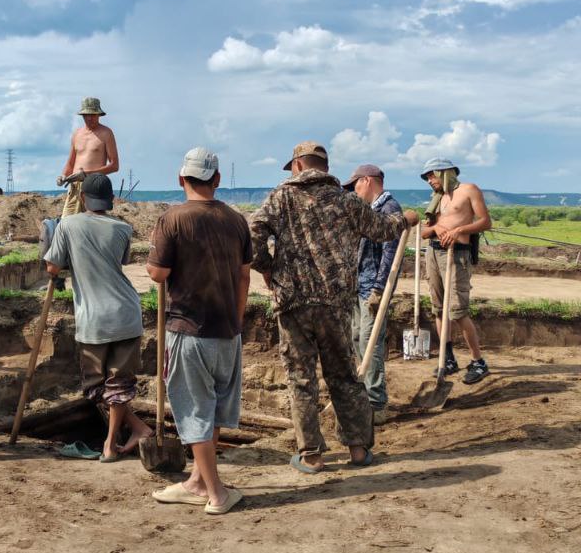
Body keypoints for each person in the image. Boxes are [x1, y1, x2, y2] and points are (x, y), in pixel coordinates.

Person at [251, 142, 418, 475]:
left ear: (298, 165)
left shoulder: (281, 198)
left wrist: (267, 268)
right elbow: (381, 229)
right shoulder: (346, 201)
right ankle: (358, 449)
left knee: (301, 378)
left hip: (294, 302)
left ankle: (311, 455)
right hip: (335, 303)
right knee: (344, 374)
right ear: (325, 168)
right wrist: (406, 219)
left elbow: (253, 231)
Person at [146, 148, 251, 515]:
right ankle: (198, 480)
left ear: (181, 179)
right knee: (215, 410)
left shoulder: (172, 219)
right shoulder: (237, 220)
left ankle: (217, 493)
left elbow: (158, 274)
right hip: (228, 331)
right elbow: (243, 275)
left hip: (189, 331)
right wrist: (236, 321)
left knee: (194, 412)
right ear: (217, 180)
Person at [43, 172, 151, 461]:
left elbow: (52, 268)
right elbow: (118, 261)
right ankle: (138, 429)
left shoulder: (67, 225)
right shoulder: (122, 229)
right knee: (118, 386)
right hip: (126, 313)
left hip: (94, 319)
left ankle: (109, 444)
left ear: (81, 198)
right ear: (111, 200)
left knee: (96, 386)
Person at [420, 156, 492, 384]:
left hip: (457, 254)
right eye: (427, 177)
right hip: (433, 253)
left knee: (458, 311)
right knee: (439, 309)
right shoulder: (437, 199)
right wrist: (439, 227)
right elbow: (424, 232)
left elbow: (485, 222)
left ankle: (478, 362)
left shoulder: (469, 190)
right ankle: (447, 358)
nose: (429, 180)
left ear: (445, 172)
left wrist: (458, 228)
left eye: (432, 175)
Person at [342, 163, 403, 424]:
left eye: (355, 185)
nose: (354, 191)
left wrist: (379, 289)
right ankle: (365, 393)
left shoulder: (389, 209)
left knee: (371, 343)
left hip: (372, 289)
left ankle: (377, 403)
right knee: (357, 338)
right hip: (359, 287)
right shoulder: (369, 209)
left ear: (367, 181)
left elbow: (390, 255)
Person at [57, 98, 119, 218]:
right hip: (74, 187)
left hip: (94, 187)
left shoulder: (106, 133)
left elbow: (114, 165)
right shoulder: (77, 134)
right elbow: (70, 163)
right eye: (86, 115)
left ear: (98, 114)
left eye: (92, 115)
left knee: (93, 224)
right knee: (66, 222)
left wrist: (86, 174)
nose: (89, 118)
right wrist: (63, 176)